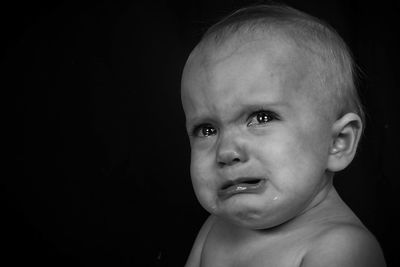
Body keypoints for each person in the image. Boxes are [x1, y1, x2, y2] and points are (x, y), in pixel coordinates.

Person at [180, 3, 386, 267]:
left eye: (262, 118)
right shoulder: (217, 227)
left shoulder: (340, 249)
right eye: (206, 130)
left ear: (338, 142)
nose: (227, 152)